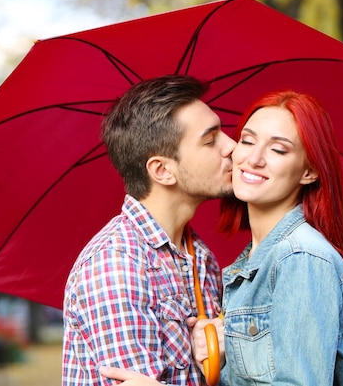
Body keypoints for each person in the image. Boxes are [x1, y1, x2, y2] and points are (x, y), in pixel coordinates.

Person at [102, 89, 343, 385]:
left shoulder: (300, 257)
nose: (251, 158)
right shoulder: (246, 265)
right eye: (247, 140)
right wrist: (223, 351)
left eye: (278, 150)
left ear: (309, 172)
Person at [62, 75, 233, 386]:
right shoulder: (116, 264)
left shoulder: (201, 257)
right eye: (211, 140)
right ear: (162, 170)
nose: (232, 147)